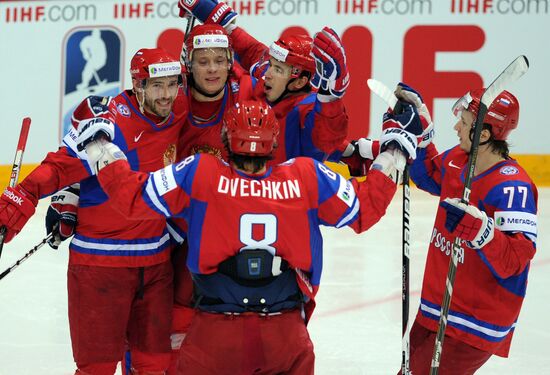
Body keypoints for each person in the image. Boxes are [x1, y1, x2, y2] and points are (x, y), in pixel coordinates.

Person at [73, 99, 422, 374]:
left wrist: (98, 142)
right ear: (272, 142)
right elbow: (365, 210)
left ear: (226, 139)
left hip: (215, 336)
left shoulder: (200, 172)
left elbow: (131, 197)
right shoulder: (307, 175)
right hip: (285, 336)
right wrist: (395, 150)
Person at [0, 47, 187, 375]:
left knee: (154, 365)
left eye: (173, 84)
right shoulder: (108, 118)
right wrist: (20, 201)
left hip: (156, 264)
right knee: (96, 368)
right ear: (138, 84)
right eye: (157, 86)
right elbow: (59, 167)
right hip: (100, 266)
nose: (167, 94)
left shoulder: (180, 110)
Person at [403, 85, 538, 374]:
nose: (456, 127)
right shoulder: (459, 159)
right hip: (437, 307)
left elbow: (514, 261)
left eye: (463, 123)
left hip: (475, 321)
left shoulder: (513, 187)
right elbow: (428, 176)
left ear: (484, 135)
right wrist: (420, 133)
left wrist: (481, 230)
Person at [178, 0, 351, 164]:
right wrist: (226, 26)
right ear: (189, 64)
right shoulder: (170, 94)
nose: (213, 69)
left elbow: (323, 135)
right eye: (202, 62)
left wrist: (330, 96)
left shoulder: (256, 91)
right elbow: (252, 53)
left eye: (219, 60)